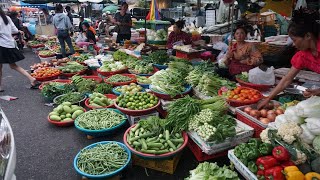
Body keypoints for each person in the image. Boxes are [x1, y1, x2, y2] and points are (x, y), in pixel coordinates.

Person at [258, 8, 320, 109]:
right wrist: (268, 98)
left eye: (295, 40)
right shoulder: (302, 55)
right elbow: (287, 79)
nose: (294, 45)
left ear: (308, 36)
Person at [0, 7, 39, 91]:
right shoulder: (6, 18)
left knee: (3, 67)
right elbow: (14, 30)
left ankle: (0, 86)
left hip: (1, 45)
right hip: (9, 44)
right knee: (13, 66)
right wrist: (18, 31)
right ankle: (31, 78)